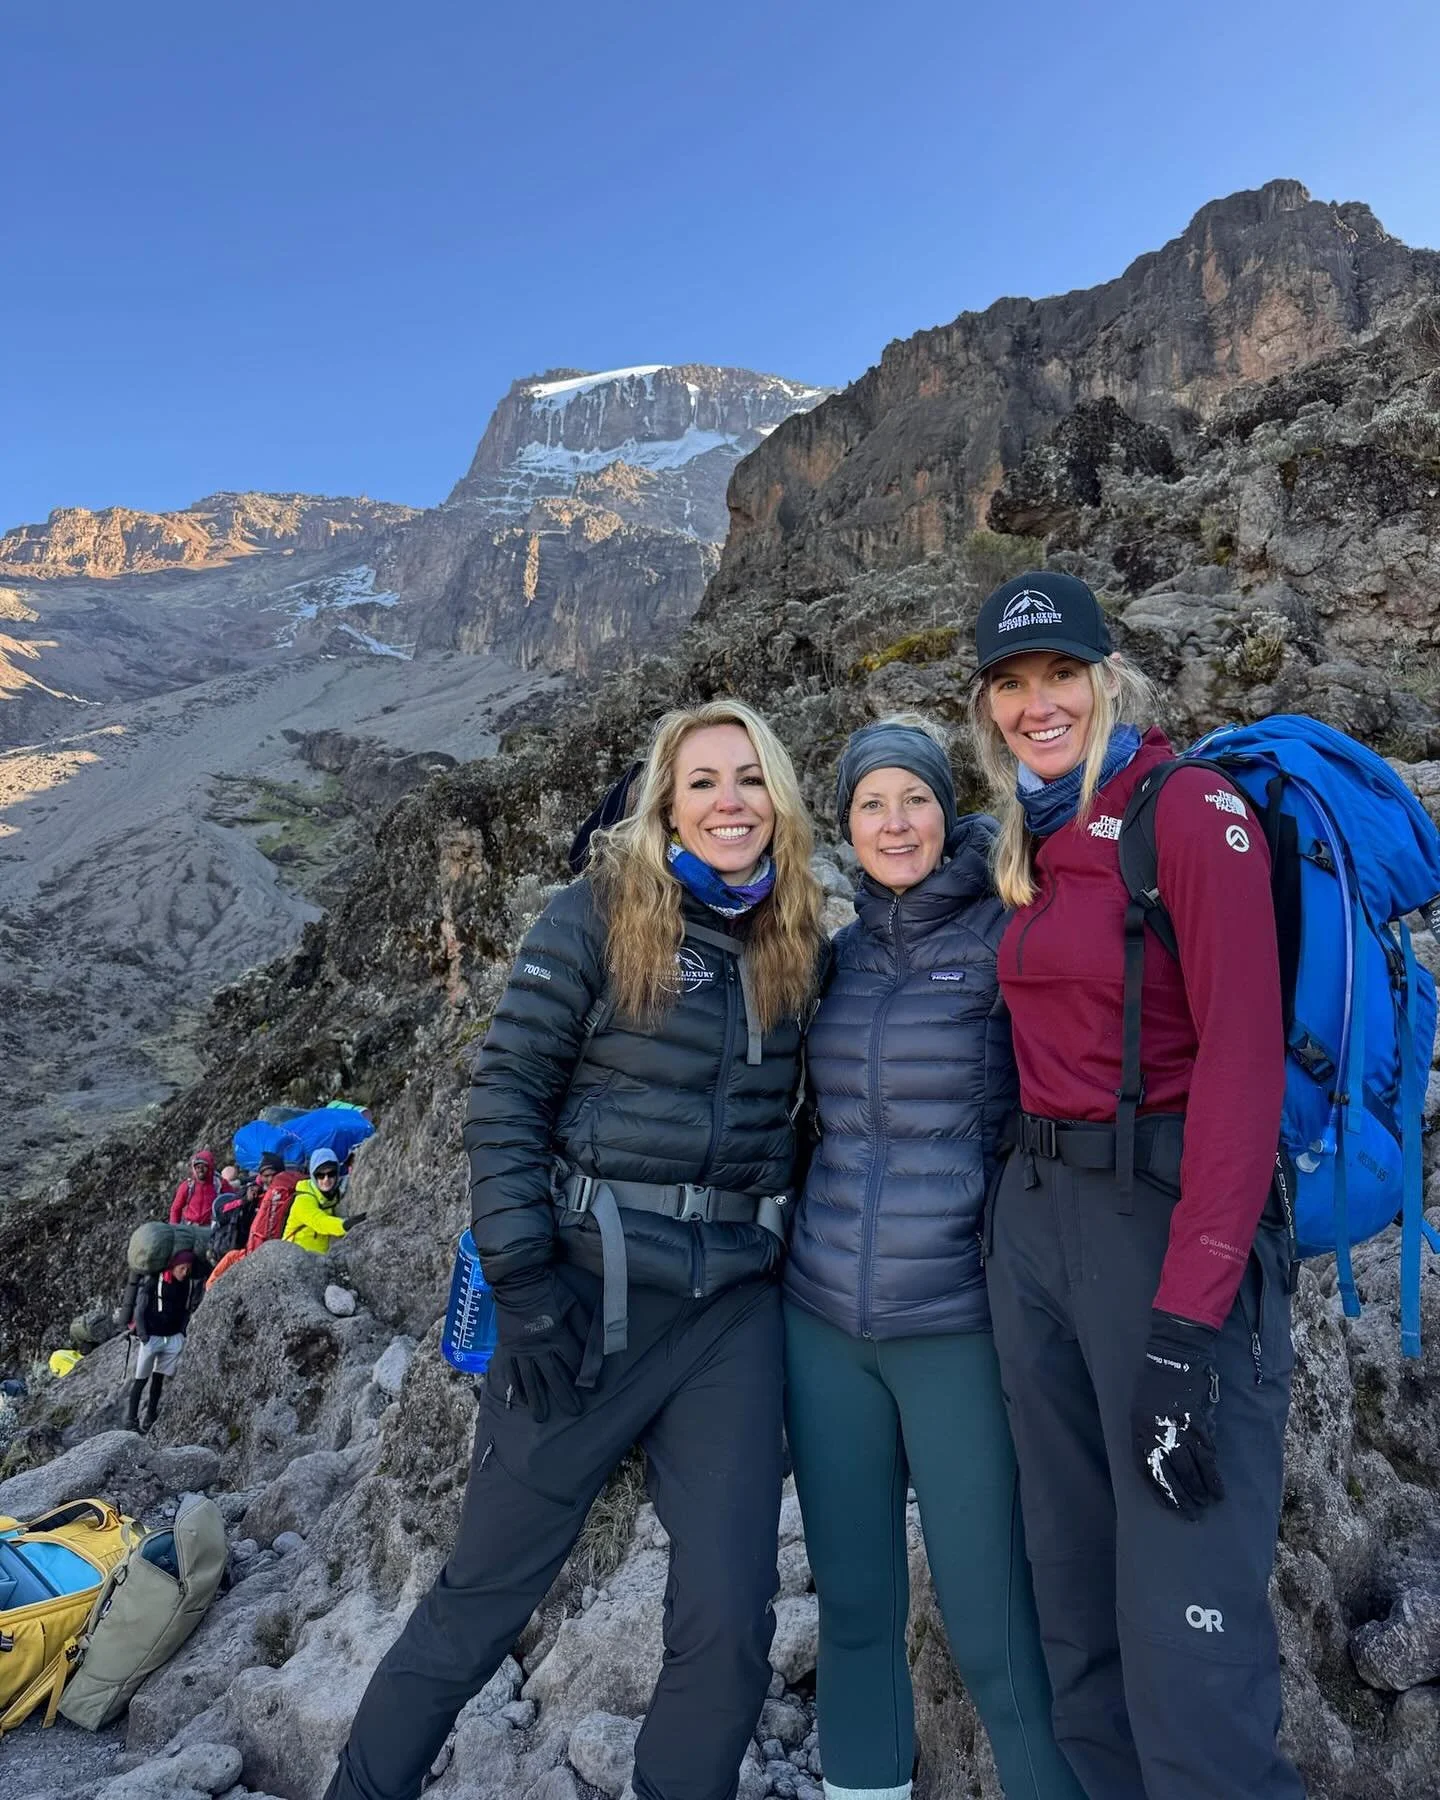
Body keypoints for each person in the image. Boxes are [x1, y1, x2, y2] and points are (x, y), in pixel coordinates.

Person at [325, 699, 824, 1800]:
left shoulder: (797, 939)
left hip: (727, 1319)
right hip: (585, 1303)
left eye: (750, 780)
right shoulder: (596, 914)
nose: (729, 802)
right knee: (482, 1602)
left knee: (731, 1619)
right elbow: (506, 1096)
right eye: (703, 782)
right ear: (665, 804)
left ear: (778, 798)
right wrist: (524, 1282)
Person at [967, 571, 1301, 1799]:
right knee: (1079, 1612)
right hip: (1044, 1229)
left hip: (1165, 1225)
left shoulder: (1192, 811)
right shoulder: (1034, 838)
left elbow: (1243, 1069)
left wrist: (1186, 1325)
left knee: (1187, 1634)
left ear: (1109, 676)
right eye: (1010, 684)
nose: (1036, 704)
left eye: (1060, 674)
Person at [783, 718, 1082, 1800]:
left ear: (948, 810)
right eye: (871, 805)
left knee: (992, 1621)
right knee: (856, 1610)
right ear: (846, 824)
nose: (894, 823)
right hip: (821, 1327)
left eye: (913, 799)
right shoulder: (837, 956)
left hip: (955, 1327)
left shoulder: (1011, 934)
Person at [124, 1248, 201, 1432]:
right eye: (182, 1268)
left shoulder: (186, 1285)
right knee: (141, 1379)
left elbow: (185, 1309)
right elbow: (140, 1309)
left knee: (158, 1379)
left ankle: (150, 1416)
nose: (185, 1273)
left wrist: (181, 1333)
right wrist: (144, 1336)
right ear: (173, 1266)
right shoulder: (153, 1282)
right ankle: (131, 1421)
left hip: (172, 1338)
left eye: (188, 1269)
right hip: (152, 1337)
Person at [283, 1149, 357, 1253]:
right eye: (320, 1175)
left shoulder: (334, 1193)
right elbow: (319, 1222)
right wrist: (345, 1225)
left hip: (320, 1259)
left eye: (331, 1174)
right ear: (313, 1176)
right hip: (294, 1259)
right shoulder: (303, 1199)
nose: (326, 1179)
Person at [169, 1149, 218, 1226]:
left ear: (210, 1167)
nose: (200, 1170)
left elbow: (231, 1200)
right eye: (197, 1167)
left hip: (210, 1228)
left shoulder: (218, 1184)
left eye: (203, 1167)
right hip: (190, 1227)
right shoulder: (187, 1186)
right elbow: (176, 1209)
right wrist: (174, 1228)